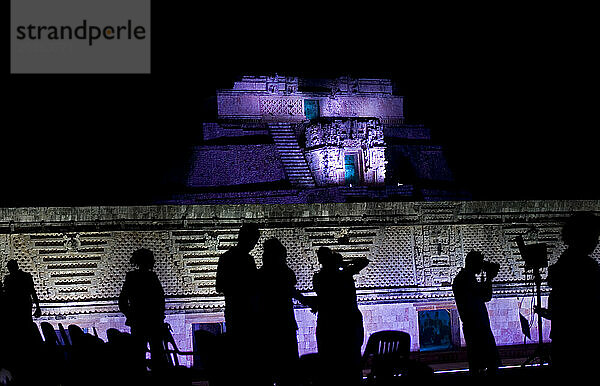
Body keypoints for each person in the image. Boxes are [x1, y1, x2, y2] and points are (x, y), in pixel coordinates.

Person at [535, 212, 600, 376]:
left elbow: (562, 310)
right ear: (584, 236)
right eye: (594, 234)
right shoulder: (589, 268)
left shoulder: (560, 266)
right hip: (581, 342)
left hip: (563, 339)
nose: (597, 240)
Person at [258, 238, 314, 386]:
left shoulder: (261, 274)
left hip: (267, 324)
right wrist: (306, 301)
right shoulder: (283, 272)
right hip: (284, 323)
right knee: (288, 368)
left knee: (269, 367)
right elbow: (291, 290)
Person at [215, 223, 266, 385]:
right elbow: (252, 287)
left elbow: (219, 286)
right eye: (254, 241)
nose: (254, 245)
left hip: (238, 311)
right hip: (243, 313)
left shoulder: (227, 258)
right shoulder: (242, 260)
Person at [313, 246, 369, 386]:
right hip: (346, 324)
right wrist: (343, 264)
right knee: (349, 363)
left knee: (332, 365)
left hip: (331, 325)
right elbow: (364, 262)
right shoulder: (342, 275)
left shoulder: (322, 277)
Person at [452, 250, 500, 376]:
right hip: (476, 326)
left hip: (476, 325)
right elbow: (485, 295)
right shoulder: (465, 279)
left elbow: (484, 296)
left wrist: (488, 278)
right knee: (485, 363)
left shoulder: (465, 278)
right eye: (479, 262)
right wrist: (489, 278)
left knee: (479, 363)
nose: (481, 265)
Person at [119, 248, 167, 373]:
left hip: (141, 323)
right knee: (154, 353)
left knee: (141, 354)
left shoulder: (133, 278)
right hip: (151, 322)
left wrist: (131, 315)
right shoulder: (146, 278)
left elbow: (122, 302)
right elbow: (160, 300)